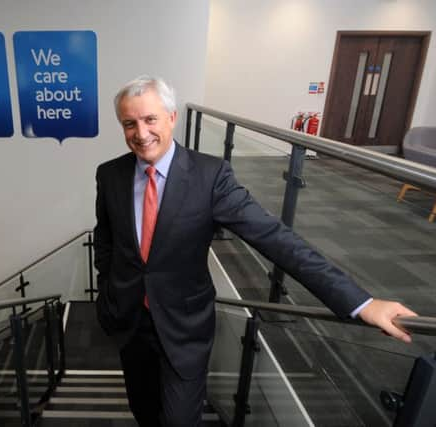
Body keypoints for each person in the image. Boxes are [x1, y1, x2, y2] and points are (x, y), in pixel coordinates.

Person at [93, 75, 417, 427]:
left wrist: (361, 302)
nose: (141, 133)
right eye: (130, 123)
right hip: (130, 323)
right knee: (143, 411)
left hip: (183, 329)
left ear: (172, 117)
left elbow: (276, 238)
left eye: (150, 119)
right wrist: (108, 288)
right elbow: (107, 238)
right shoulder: (110, 175)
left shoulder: (210, 176)